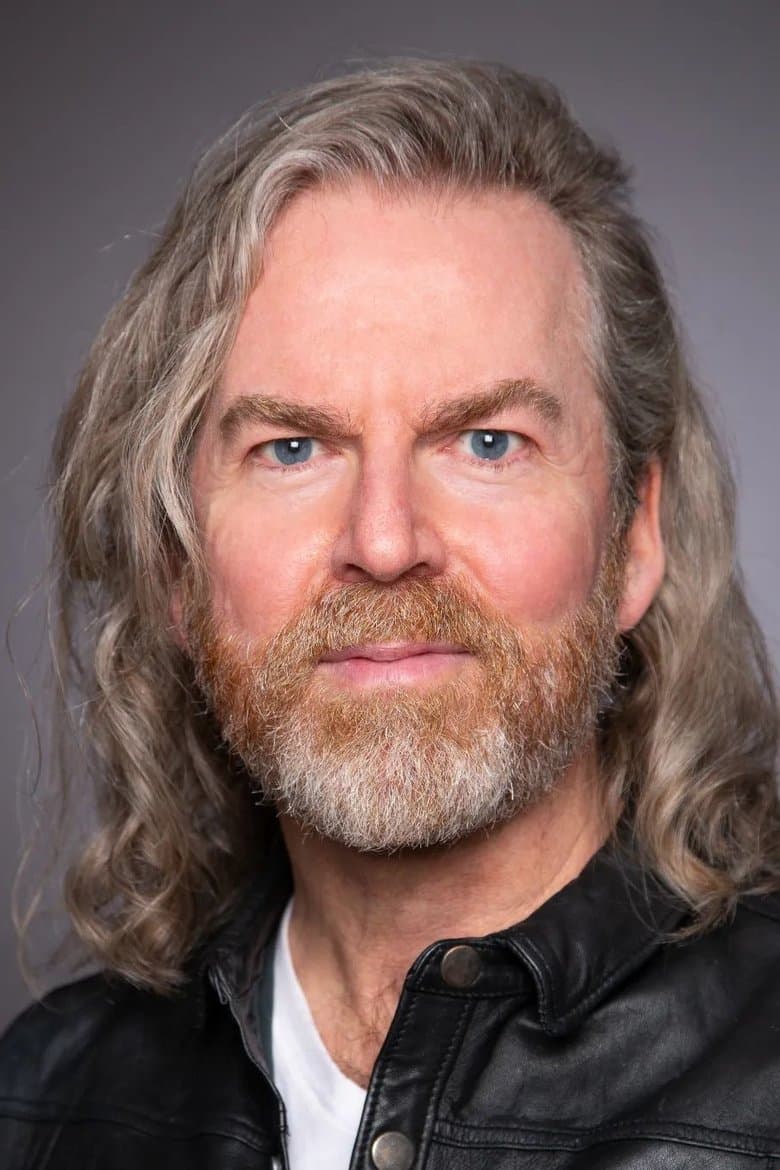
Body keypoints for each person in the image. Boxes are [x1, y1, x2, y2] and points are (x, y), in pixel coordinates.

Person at [1, 58, 779, 1170]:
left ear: (636, 534)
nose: (383, 542)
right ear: (176, 557)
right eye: (292, 448)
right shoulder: (41, 1105)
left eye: (488, 442)